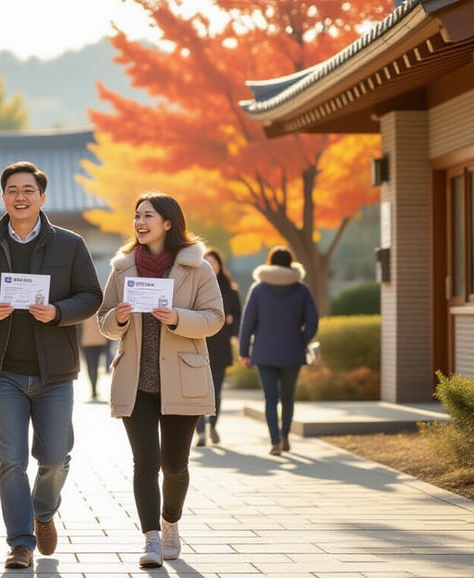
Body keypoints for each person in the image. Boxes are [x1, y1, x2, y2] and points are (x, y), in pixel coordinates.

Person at [0, 161, 102, 569]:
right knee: (11, 461)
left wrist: (57, 311)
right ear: (3, 197)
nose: (21, 197)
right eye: (13, 190)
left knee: (56, 458)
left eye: (28, 190)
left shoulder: (70, 244)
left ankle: (43, 512)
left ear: (42, 197)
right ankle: (20, 542)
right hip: (4, 372)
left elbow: (91, 296)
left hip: (55, 371)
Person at [96, 192, 223, 568]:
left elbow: (215, 318)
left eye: (147, 215)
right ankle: (151, 538)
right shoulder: (122, 268)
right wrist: (117, 318)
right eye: (136, 215)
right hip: (136, 381)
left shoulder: (198, 268)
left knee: (175, 465)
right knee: (144, 463)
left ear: (168, 222)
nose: (139, 221)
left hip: (182, 378)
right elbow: (103, 321)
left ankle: (170, 524)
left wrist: (177, 318)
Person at [238, 246, 319, 456]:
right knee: (288, 397)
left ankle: (274, 442)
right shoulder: (301, 290)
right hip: (292, 351)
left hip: (264, 352)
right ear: (291, 264)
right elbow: (313, 321)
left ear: (270, 263)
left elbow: (247, 323)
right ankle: (285, 436)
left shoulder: (259, 289)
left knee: (270, 399)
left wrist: (244, 351)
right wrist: (300, 340)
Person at [194, 248, 242, 446]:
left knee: (216, 390)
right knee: (196, 391)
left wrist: (233, 333)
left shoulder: (230, 290)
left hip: (221, 345)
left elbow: (237, 314)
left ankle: (212, 426)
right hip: (197, 343)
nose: (211, 264)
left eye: (214, 261)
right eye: (207, 261)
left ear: (220, 265)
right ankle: (199, 431)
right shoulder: (194, 286)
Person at [80, 314, 109, 401]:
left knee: (90, 367)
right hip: (100, 341)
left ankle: (93, 391)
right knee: (95, 366)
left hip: (86, 342)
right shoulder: (99, 309)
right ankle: (94, 391)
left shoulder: (84, 311)